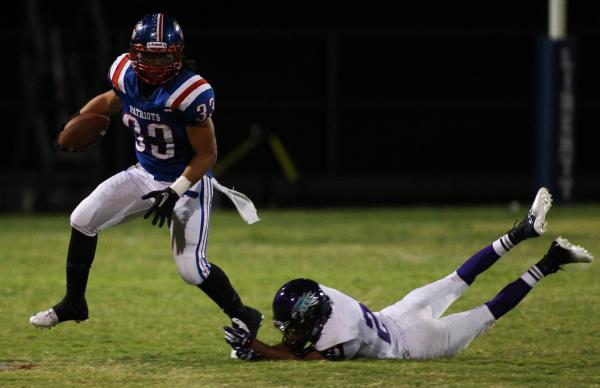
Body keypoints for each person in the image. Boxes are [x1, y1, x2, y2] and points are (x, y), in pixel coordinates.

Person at [30, 13, 264, 337]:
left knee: (191, 269)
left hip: (187, 180)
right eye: (148, 55)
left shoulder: (190, 92)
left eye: (163, 56)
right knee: (82, 218)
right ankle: (74, 303)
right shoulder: (124, 73)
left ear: (178, 55)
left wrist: (176, 191)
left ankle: (245, 314)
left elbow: (207, 154)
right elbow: (112, 101)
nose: (155, 63)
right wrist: (81, 120)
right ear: (134, 53)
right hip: (144, 173)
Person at [223, 188, 594, 360]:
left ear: (314, 317)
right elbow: (294, 345)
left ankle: (551, 260)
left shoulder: (339, 337)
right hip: (397, 314)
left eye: (296, 324)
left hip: (414, 343)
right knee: (458, 278)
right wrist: (262, 350)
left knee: (486, 312)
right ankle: (521, 232)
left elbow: (301, 362)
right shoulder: (323, 295)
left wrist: (257, 349)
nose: (292, 331)